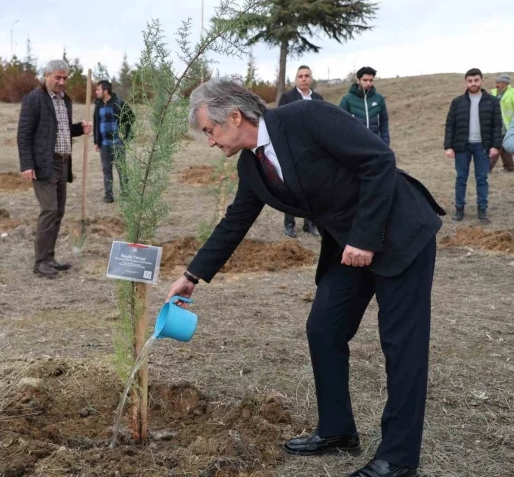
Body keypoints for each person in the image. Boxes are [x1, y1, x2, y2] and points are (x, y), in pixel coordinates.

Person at [166, 78, 445, 477]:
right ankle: (337, 431)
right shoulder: (252, 166)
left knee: (401, 345)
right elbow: (234, 223)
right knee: (324, 328)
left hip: (399, 233)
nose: (210, 142)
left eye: (209, 131)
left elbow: (379, 159)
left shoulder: (305, 117)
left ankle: (398, 458)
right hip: (349, 249)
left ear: (234, 116)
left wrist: (365, 237)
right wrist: (191, 276)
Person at [17, 59, 92, 279]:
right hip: (43, 164)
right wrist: (27, 164)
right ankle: (40, 263)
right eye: (57, 77)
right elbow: (24, 134)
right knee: (49, 210)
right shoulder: (34, 100)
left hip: (63, 162)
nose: (61, 82)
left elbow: (61, 130)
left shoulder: (64, 100)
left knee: (58, 212)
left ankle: (49, 258)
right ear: (47, 75)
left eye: (65, 78)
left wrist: (79, 128)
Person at [444, 68, 502, 222]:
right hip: (462, 147)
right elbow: (450, 125)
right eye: (470, 81)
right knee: (461, 178)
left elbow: (497, 125)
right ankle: (459, 209)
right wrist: (448, 147)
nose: (473, 83)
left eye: (476, 80)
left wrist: (496, 146)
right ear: (466, 82)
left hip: (482, 146)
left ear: (481, 81)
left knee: (482, 178)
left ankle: (482, 209)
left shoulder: (492, 101)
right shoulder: (457, 102)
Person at [277, 65, 323, 238]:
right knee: (292, 187)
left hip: (313, 151)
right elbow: (279, 121)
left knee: (312, 188)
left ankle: (310, 223)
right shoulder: (287, 97)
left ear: (311, 78)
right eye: (300, 76)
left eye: (307, 76)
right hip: (292, 149)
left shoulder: (318, 98)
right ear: (296, 79)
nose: (304, 79)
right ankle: (289, 223)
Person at [93, 79, 135, 203]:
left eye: (98, 89)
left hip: (118, 142)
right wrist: (97, 141)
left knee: (121, 169)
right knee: (106, 169)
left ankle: (126, 194)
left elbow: (131, 118)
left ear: (105, 91)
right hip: (104, 144)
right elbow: (96, 123)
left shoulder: (118, 103)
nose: (96, 92)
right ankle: (108, 195)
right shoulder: (98, 104)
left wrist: (125, 136)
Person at [340, 67, 390, 146]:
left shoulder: (379, 98)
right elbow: (341, 125)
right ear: (358, 80)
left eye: (371, 80)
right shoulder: (347, 99)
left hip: (376, 144)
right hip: (355, 146)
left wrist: (385, 143)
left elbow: (384, 123)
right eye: (365, 80)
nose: (368, 83)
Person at [489, 74, 514, 172]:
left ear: (505, 83)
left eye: (498, 82)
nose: (496, 84)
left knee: (496, 146)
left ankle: (487, 168)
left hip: (507, 125)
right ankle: (509, 167)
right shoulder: (493, 93)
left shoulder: (512, 93)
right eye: (496, 82)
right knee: (503, 147)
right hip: (495, 125)